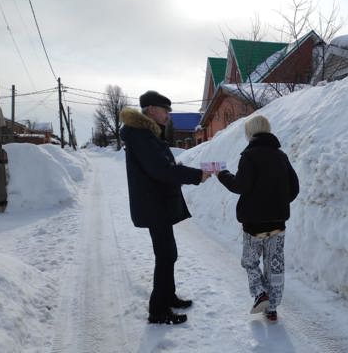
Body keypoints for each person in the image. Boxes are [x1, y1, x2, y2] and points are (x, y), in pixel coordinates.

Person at [120, 90, 211, 325]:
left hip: (157, 204)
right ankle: (158, 311)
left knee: (168, 254)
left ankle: (168, 297)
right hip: (154, 205)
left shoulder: (147, 134)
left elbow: (159, 166)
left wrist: (175, 166)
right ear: (151, 110)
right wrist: (196, 174)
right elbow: (160, 171)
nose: (168, 115)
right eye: (165, 110)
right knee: (166, 255)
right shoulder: (141, 135)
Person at [216, 115, 299, 322]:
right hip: (278, 225)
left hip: (254, 225)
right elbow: (294, 188)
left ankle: (260, 293)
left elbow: (239, 186)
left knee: (250, 262)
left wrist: (222, 174)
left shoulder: (250, 156)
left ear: (250, 133)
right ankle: (272, 309)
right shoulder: (281, 156)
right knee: (275, 266)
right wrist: (279, 203)